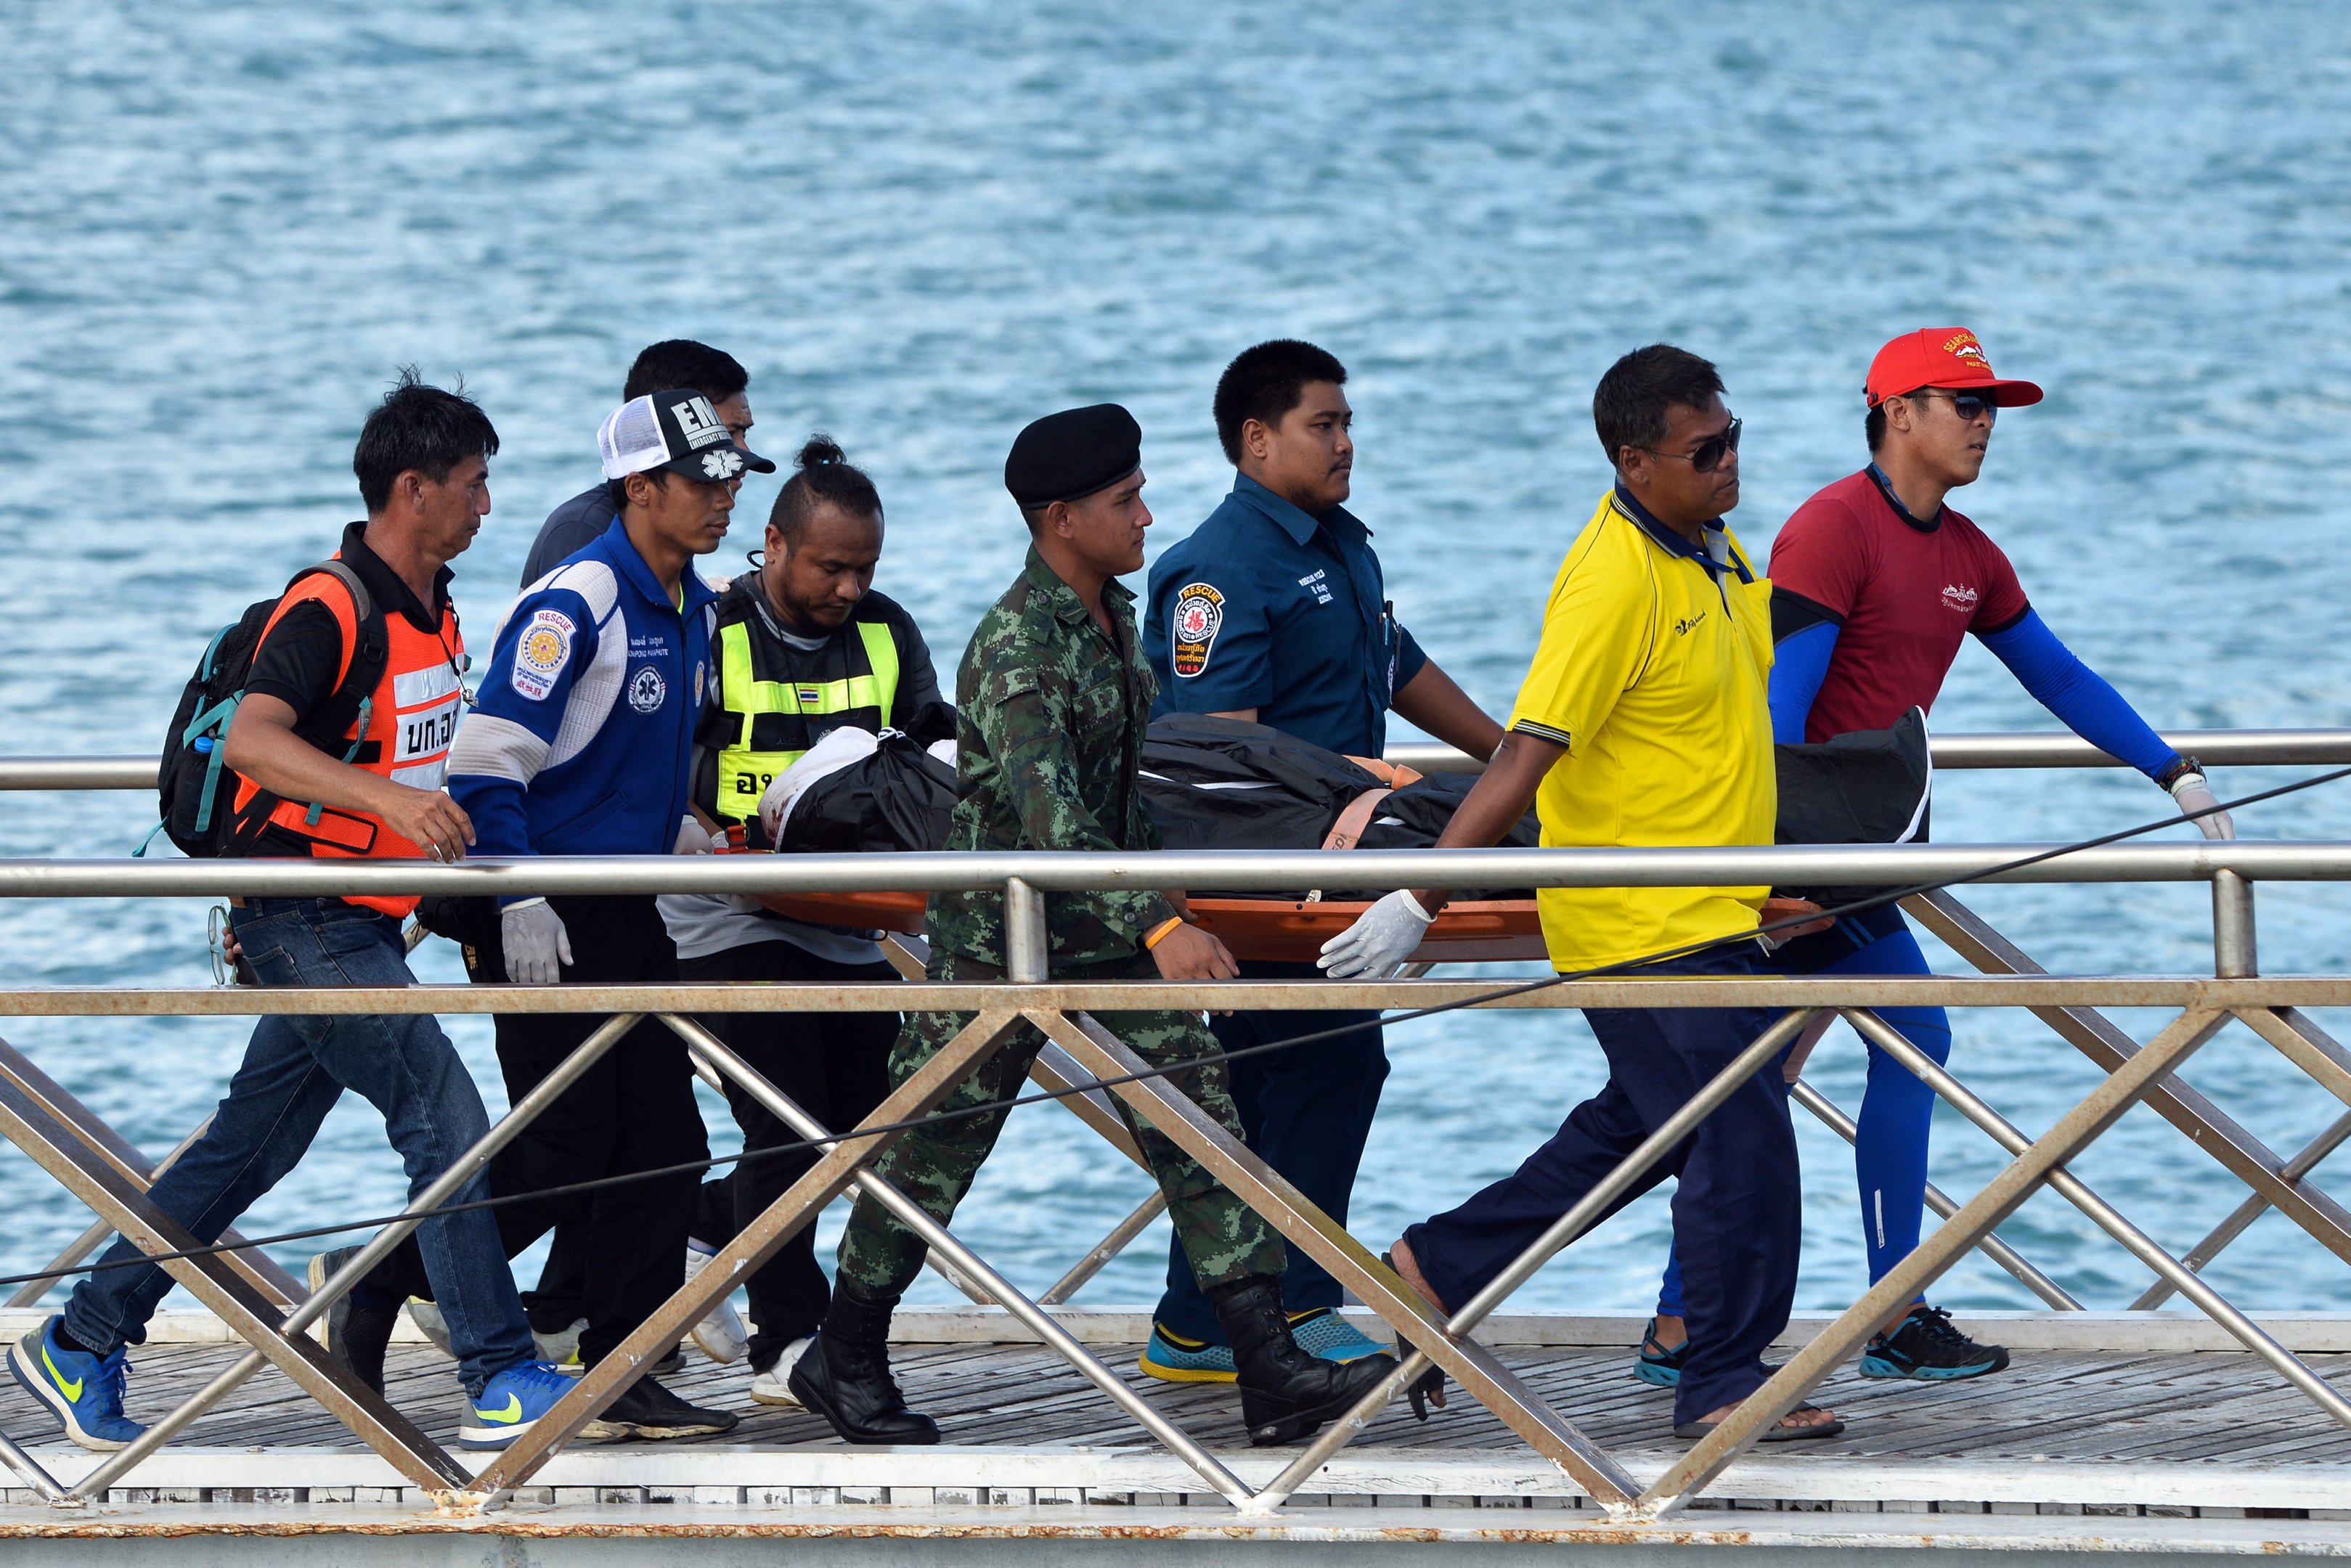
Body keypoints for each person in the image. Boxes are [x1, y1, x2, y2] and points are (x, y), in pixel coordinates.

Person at [1635, 328, 2236, 1388]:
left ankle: (1691, 1320)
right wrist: (1773, 875)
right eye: (1962, 403)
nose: (1982, 422)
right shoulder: (1833, 527)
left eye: (1990, 405)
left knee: (1760, 1074)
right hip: (1793, 853)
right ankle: (1883, 1311)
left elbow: (2056, 675)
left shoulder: (1966, 555)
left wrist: (2170, 771)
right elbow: (1778, 715)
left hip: (1856, 857)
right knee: (1897, 1038)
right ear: (1894, 411)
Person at [789, 404, 1398, 1447]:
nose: (1146, 515)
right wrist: (1162, 929)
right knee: (931, 1152)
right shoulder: (1018, 644)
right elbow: (1052, 819)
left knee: (1204, 1122)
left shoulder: (1111, 622)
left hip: (1100, 934)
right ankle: (843, 1356)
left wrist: (1166, 912)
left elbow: (1129, 806)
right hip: (1000, 944)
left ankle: (1265, 1366)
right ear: (1061, 519)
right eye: (1126, 502)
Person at [9, 373, 574, 1451]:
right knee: (444, 1122)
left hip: (359, 919)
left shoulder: (431, 607)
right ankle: (499, 1373)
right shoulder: (332, 606)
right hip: (301, 916)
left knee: (248, 1147)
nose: (487, 506)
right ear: (412, 490)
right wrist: (396, 804)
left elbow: (404, 752)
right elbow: (256, 740)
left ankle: (82, 1339)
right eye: (473, 484)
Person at [1324, 345, 1845, 1442]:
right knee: (1735, 1134)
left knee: (1648, 1126)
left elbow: (1713, 736)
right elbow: (1523, 754)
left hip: (1711, 902)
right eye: (1703, 452)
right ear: (1633, 461)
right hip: (1637, 919)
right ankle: (1717, 1383)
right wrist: (1420, 902)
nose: (1728, 464)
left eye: (1733, 437)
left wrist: (1772, 873)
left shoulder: (1713, 548)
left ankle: (1437, 1263)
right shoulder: (1610, 580)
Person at [347, 386, 773, 1440]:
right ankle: (378, 1282)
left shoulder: (697, 604)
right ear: (640, 488)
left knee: (666, 1143)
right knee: (564, 1142)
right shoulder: (573, 603)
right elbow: (488, 762)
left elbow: (632, 762)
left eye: (732, 479)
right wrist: (519, 893)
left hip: (625, 910)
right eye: (704, 481)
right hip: (537, 907)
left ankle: (620, 1362)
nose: (724, 500)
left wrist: (679, 834)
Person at [1138, 339, 1504, 1381]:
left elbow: (1395, 664)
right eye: (1323, 425)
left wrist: (1511, 762)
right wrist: (1368, 779)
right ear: (1257, 442)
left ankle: (1206, 1313)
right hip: (1265, 872)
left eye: (1347, 423)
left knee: (1317, 1072)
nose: (1346, 442)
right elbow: (1219, 752)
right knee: (1299, 1073)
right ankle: (1271, 1308)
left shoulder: (1342, 545)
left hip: (1345, 859)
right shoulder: (1217, 570)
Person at [657, 435, 952, 1408]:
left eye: (864, 567)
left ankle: (709, 1219)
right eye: (829, 566)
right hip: (719, 912)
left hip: (839, 918)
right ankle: (786, 1340)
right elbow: (651, 761)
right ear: (773, 544)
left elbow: (930, 754)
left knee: (880, 1117)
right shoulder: (711, 629)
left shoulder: (887, 631)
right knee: (783, 1119)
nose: (847, 587)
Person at [520, 340, 756, 586]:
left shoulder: (669, 534)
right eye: (724, 436)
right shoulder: (582, 532)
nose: (743, 455)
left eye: (743, 435)